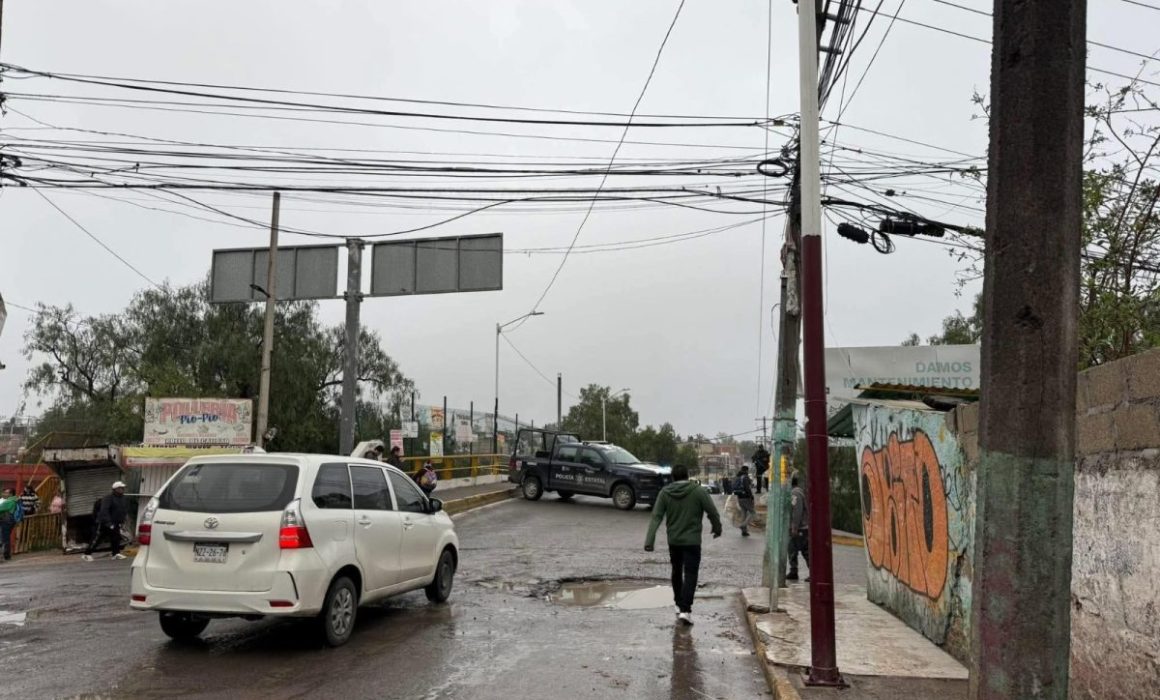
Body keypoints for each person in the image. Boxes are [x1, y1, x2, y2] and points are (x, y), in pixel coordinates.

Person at [644, 464, 723, 626]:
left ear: (673, 477)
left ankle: (679, 603)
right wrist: (717, 528)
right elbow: (712, 512)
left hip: (674, 541)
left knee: (676, 571)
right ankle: (685, 610)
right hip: (692, 542)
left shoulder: (665, 493)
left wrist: (649, 541)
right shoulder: (698, 491)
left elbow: (656, 517)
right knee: (691, 573)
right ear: (687, 476)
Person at [83, 481, 129, 562]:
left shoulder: (123, 498)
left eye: (123, 488)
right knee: (97, 538)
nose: (122, 489)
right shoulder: (108, 498)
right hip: (104, 522)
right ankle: (87, 554)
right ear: (115, 489)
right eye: (120, 488)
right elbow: (104, 511)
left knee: (116, 538)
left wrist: (122, 521)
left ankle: (116, 554)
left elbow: (123, 510)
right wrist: (109, 523)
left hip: (115, 522)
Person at [788, 475, 810, 581]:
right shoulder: (797, 492)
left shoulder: (795, 493)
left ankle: (795, 571)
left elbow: (797, 511)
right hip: (801, 527)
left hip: (801, 527)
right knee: (795, 549)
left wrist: (794, 527)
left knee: (801, 550)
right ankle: (794, 571)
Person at [734, 465, 756, 537]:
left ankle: (744, 532)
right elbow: (747, 488)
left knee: (744, 514)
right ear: (746, 470)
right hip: (746, 497)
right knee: (753, 513)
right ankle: (743, 525)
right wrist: (751, 496)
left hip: (739, 497)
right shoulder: (745, 477)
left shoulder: (738, 477)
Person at [0, 488, 19, 562]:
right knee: (5, 538)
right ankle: (6, 554)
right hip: (9, 521)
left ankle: (6, 554)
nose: (4, 494)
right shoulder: (14, 500)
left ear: (11, 494)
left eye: (6, 493)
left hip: (6, 521)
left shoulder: (9, 501)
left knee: (4, 538)